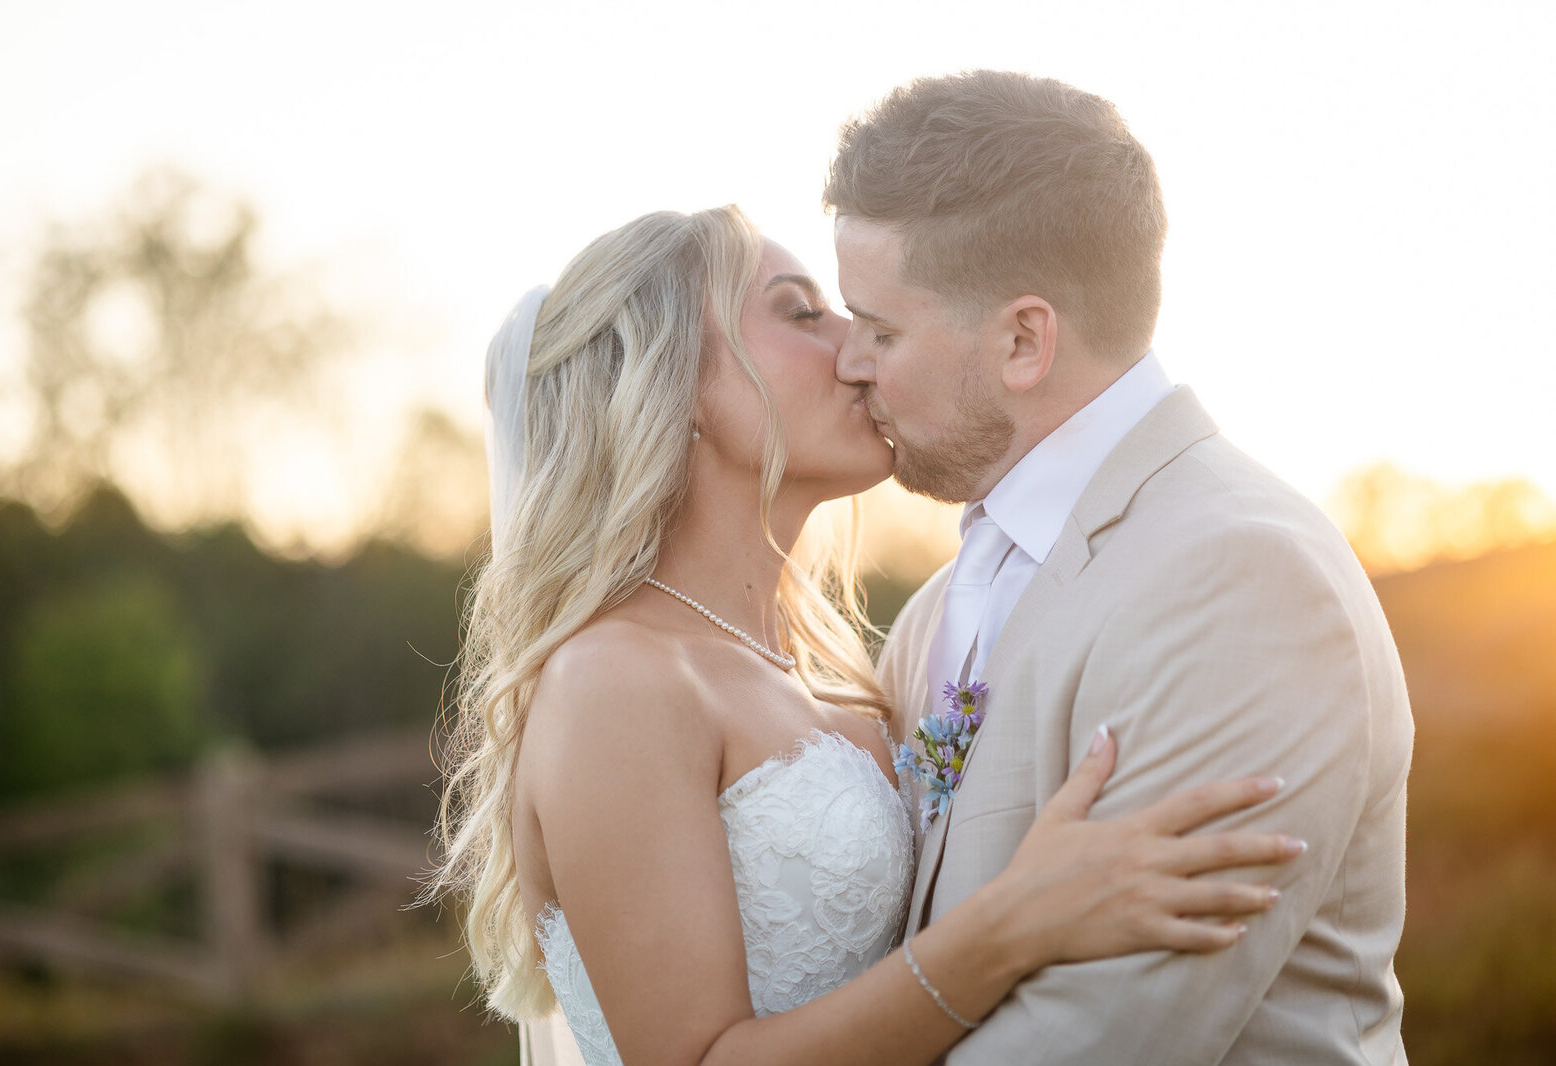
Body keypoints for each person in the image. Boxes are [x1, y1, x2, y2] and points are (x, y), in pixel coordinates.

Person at [425, 204, 1306, 1066]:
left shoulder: (842, 674)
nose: (857, 348)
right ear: (674, 382)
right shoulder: (613, 680)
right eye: (801, 312)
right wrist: (1010, 924)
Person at [826, 70, 1413, 1064]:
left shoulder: (1245, 579)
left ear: (1023, 338)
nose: (849, 363)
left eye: (880, 329)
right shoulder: (935, 605)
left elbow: (1105, 1035)